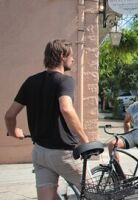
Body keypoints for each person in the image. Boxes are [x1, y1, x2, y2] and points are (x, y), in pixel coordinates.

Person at [4, 39, 90, 200]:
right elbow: (66, 107)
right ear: (62, 56)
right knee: (96, 193)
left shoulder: (30, 81)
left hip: (40, 152)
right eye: (71, 56)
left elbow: (9, 115)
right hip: (63, 153)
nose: (73, 59)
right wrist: (85, 141)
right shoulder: (65, 80)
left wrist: (13, 131)